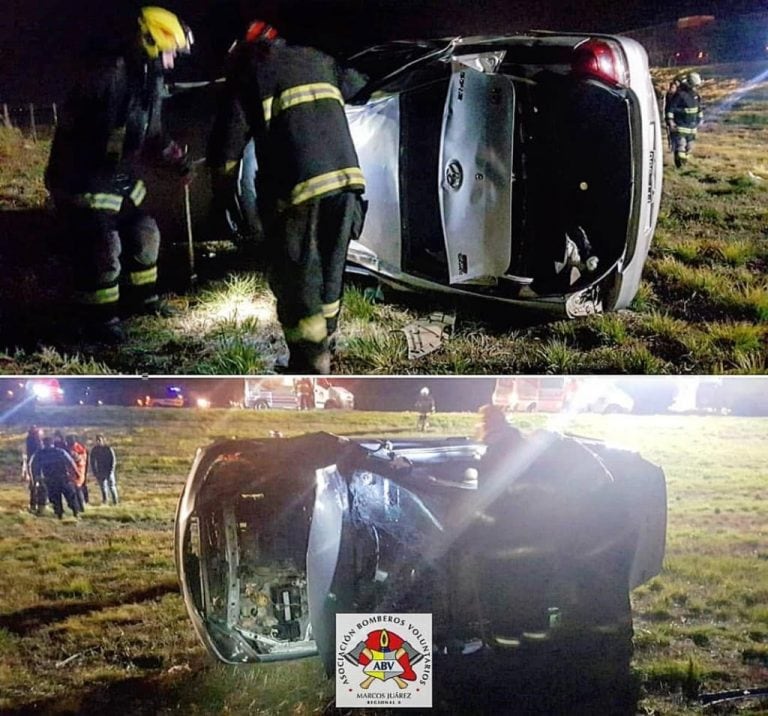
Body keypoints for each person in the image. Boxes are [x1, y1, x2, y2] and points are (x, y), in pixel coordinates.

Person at [207, 20, 367, 373]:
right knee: (330, 269)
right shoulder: (318, 58)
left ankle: (310, 364)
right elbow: (361, 86)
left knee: (297, 277)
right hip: (347, 181)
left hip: (297, 188)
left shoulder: (250, 71)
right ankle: (328, 340)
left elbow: (227, 146)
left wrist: (222, 192)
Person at [45, 6, 194, 343]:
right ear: (152, 41)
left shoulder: (149, 80)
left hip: (117, 176)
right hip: (83, 176)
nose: (173, 60)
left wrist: (176, 161)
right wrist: (95, 165)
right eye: (171, 51)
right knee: (102, 246)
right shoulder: (108, 71)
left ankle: (143, 300)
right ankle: (98, 320)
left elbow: (152, 133)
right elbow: (78, 127)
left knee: (145, 231)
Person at [29, 437, 81, 519]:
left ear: (44, 444)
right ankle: (75, 513)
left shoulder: (40, 454)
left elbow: (34, 466)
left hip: (51, 479)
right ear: (52, 443)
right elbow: (70, 462)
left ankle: (60, 514)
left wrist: (36, 478)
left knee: (56, 498)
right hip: (62, 478)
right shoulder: (59, 451)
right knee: (70, 496)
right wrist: (77, 473)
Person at [665, 71, 704, 169]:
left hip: (692, 128)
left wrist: (699, 119)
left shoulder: (695, 95)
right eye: (695, 85)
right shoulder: (680, 94)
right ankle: (680, 165)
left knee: (689, 148)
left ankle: (684, 163)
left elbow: (698, 108)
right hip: (681, 127)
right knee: (680, 146)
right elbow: (671, 109)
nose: (696, 88)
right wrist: (671, 121)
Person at [90, 434, 119, 505]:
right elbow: (92, 461)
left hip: (109, 470)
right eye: (97, 440)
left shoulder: (108, 448)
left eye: (99, 440)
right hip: (100, 471)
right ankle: (105, 501)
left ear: (103, 440)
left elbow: (113, 460)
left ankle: (115, 501)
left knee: (112, 487)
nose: (98, 442)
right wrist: (95, 472)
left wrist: (111, 470)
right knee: (103, 488)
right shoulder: (94, 450)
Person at [23, 426, 46, 514]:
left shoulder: (30, 442)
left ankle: (37, 506)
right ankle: (39, 506)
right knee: (39, 487)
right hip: (37, 466)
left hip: (36, 466)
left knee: (36, 487)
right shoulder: (38, 447)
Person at [65, 435, 89, 512]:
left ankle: (80, 507)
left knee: (76, 490)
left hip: (75, 472)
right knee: (78, 488)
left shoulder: (72, 450)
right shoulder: (81, 447)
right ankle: (81, 507)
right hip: (81, 470)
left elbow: (73, 461)